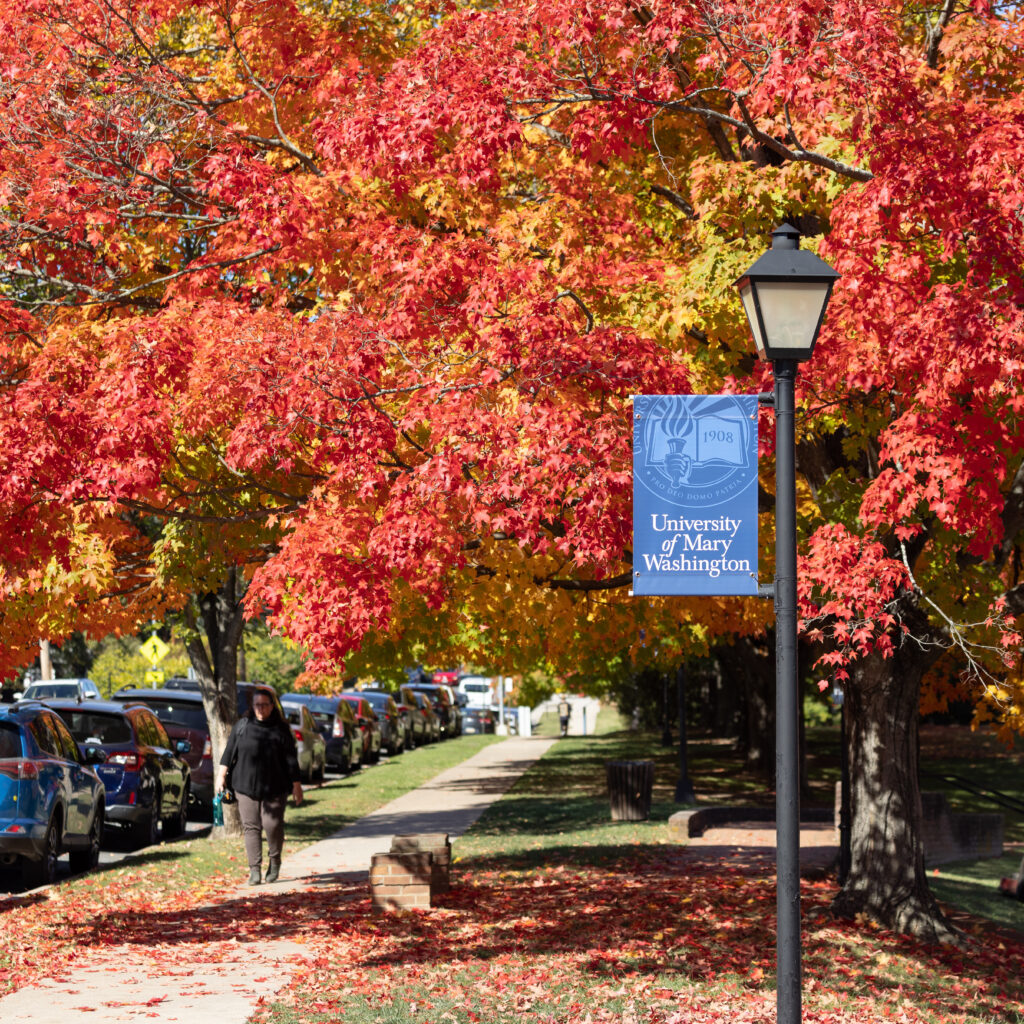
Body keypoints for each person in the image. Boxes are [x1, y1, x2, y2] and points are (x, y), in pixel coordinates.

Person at [216, 694, 303, 885]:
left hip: (276, 786)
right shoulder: (243, 726)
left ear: (272, 706)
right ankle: (254, 870)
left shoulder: (281, 729)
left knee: (272, 825)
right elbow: (229, 751)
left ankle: (275, 860)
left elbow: (291, 759)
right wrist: (221, 776)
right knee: (251, 827)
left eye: (264, 705)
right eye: (257, 705)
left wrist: (297, 785)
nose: (260, 709)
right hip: (245, 785)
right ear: (252, 706)